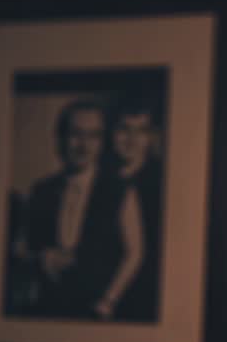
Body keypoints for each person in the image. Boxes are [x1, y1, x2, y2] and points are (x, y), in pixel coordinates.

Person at [19, 98, 143, 320]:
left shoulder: (120, 189)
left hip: (100, 310)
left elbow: (134, 253)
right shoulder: (41, 190)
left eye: (93, 136)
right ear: (60, 139)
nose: (83, 145)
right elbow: (21, 248)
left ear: (101, 141)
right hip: (50, 309)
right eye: (76, 134)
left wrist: (108, 301)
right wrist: (40, 258)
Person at [110, 99, 163, 322]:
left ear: (150, 137)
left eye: (141, 130)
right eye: (124, 129)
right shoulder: (103, 180)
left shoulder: (161, 184)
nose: (131, 139)